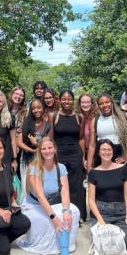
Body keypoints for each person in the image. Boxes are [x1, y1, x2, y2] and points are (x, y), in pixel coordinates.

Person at [15, 138, 80, 254]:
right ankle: (47, 247)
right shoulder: (34, 168)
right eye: (43, 149)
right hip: (34, 205)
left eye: (50, 148)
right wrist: (54, 218)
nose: (47, 151)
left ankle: (66, 245)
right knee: (47, 220)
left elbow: (65, 192)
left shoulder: (61, 168)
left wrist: (66, 211)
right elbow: (40, 196)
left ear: (55, 149)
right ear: (40, 151)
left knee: (74, 212)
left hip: (52, 204)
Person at [88, 139, 127, 252]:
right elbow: (91, 200)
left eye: (109, 149)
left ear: (113, 152)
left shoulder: (122, 169)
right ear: (98, 152)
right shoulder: (93, 173)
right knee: (103, 247)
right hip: (102, 213)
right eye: (103, 149)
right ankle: (115, 239)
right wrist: (100, 221)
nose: (106, 152)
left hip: (120, 213)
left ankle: (118, 238)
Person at [53, 90, 87, 222]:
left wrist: (83, 156)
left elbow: (82, 138)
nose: (66, 101)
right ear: (60, 100)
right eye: (64, 99)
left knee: (76, 185)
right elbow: (51, 138)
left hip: (75, 153)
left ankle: (78, 215)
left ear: (73, 101)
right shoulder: (54, 115)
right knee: (60, 185)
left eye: (69, 99)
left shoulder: (79, 117)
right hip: (59, 153)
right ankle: (61, 214)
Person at [87, 94, 127, 170]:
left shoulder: (124, 116)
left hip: (120, 154)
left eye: (107, 102)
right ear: (98, 106)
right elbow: (92, 145)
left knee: (121, 180)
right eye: (101, 103)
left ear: (112, 103)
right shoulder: (95, 121)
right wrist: (89, 166)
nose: (105, 105)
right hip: (102, 155)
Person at [16, 98, 52, 196]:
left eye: (39, 107)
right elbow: (19, 142)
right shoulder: (26, 123)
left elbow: (48, 144)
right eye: (34, 108)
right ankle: (26, 208)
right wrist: (31, 150)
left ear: (43, 108)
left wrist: (36, 143)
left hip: (41, 159)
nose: (36, 110)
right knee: (26, 184)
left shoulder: (48, 125)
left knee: (39, 185)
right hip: (26, 158)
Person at [79, 93, 98, 160]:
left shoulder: (97, 118)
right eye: (83, 102)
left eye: (88, 102)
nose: (85, 105)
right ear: (79, 104)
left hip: (96, 152)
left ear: (92, 103)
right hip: (82, 152)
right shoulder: (77, 117)